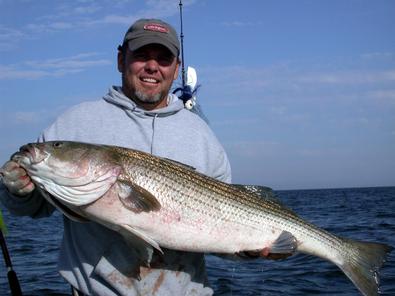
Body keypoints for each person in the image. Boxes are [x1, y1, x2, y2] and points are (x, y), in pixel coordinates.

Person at [0, 18, 232, 295]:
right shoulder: (75, 122)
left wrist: (252, 252)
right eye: (141, 56)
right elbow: (32, 207)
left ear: (176, 69)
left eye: (163, 59)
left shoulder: (202, 134)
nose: (152, 67)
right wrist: (19, 191)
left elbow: (225, 232)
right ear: (121, 59)